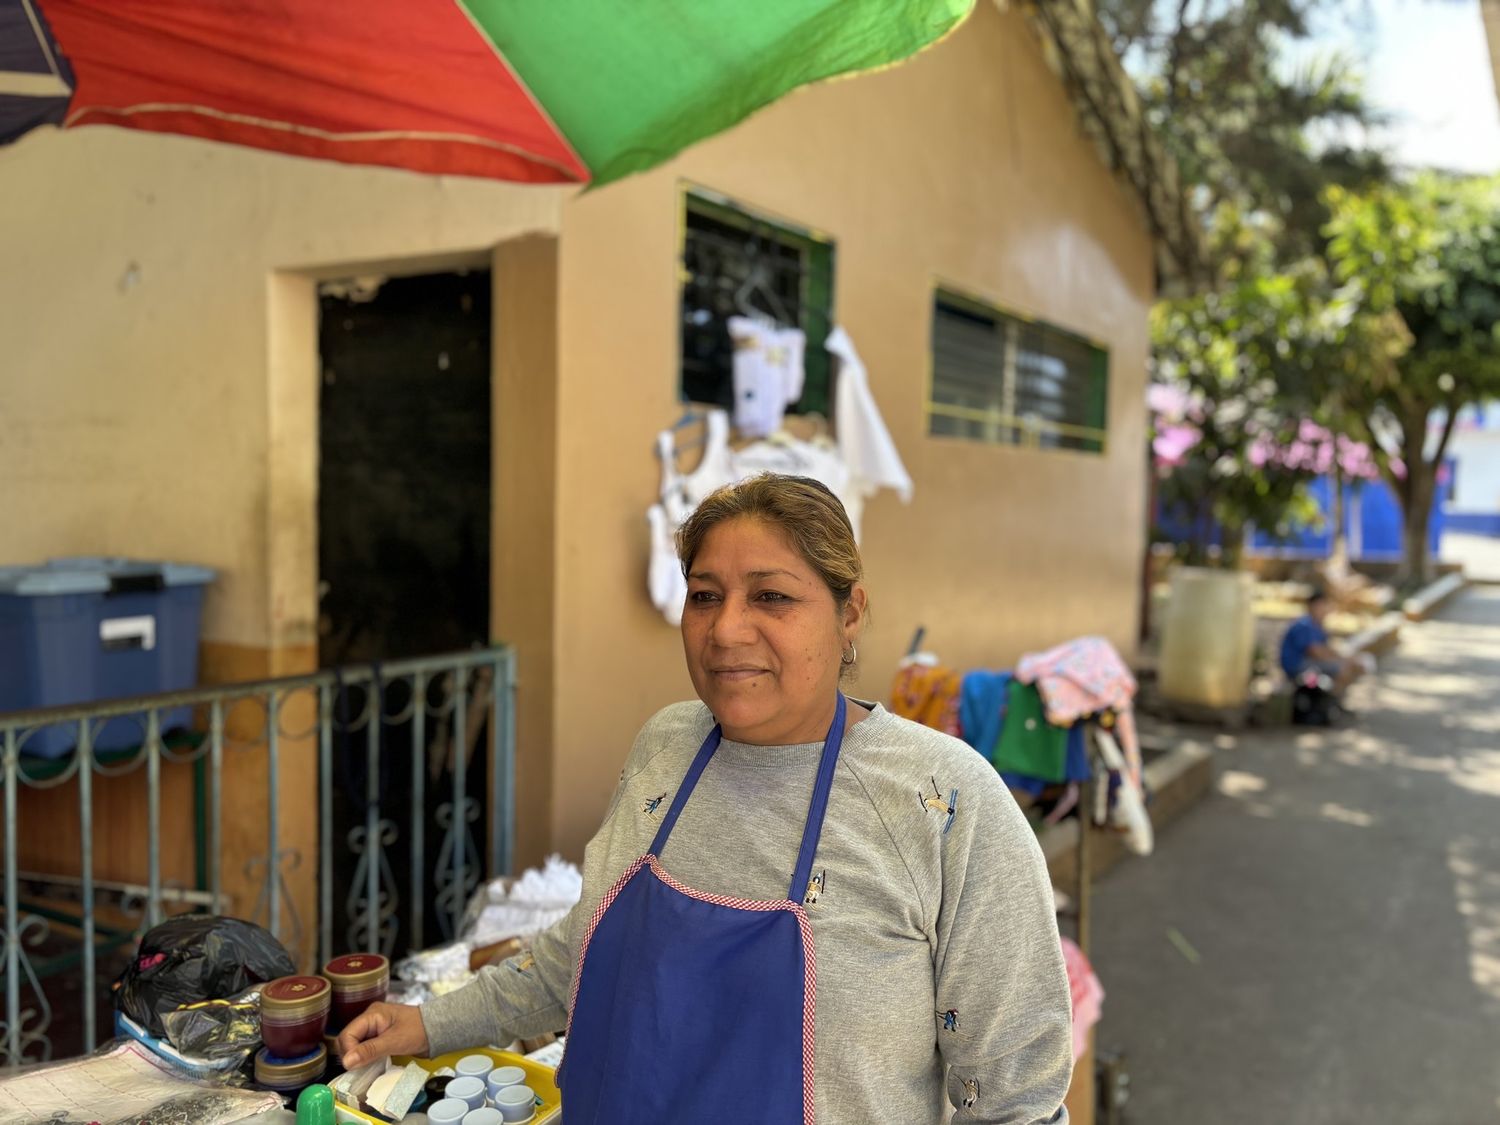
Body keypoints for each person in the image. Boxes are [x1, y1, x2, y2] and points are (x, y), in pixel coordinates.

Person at [338, 473, 1073, 1123]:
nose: (726, 630)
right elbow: (581, 954)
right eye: (705, 596)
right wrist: (429, 1023)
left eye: (772, 596)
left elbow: (1016, 1099)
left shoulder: (942, 801)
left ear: (849, 614)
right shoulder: (666, 747)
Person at [1279, 587, 1369, 698]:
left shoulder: (1316, 625)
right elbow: (1317, 653)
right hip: (1296, 666)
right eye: (1322, 605)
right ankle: (1330, 703)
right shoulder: (1305, 625)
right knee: (1343, 668)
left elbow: (1326, 649)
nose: (1325, 609)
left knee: (1351, 665)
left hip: (1307, 663)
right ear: (1312, 606)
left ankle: (1331, 702)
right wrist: (1344, 660)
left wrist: (1346, 657)